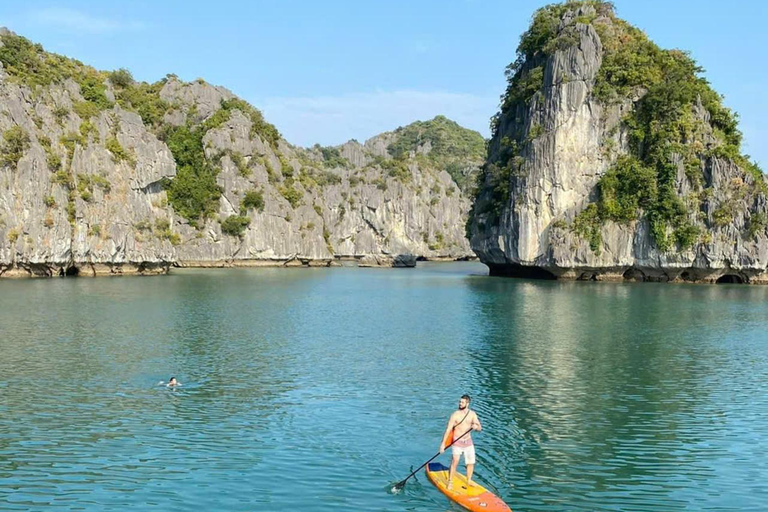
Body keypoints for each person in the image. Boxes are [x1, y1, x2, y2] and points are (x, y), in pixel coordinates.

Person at [439, 394, 482, 490]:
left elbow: (480, 428)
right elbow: (448, 430)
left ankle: (469, 480)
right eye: (459, 402)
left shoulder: (472, 414)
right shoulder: (455, 415)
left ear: (467, 403)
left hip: (468, 441)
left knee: (470, 462)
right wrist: (442, 444)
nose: (460, 403)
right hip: (457, 441)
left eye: (462, 402)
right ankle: (450, 481)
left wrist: (476, 427)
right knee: (455, 461)